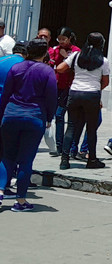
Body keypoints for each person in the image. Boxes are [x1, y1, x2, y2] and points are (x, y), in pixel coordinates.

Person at [0, 39, 57, 211]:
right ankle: (21, 201)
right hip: (34, 117)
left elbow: (6, 94)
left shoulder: (16, 68)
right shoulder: (47, 71)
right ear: (45, 53)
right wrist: (49, 117)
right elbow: (52, 97)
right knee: (26, 159)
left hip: (11, 114)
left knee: (6, 156)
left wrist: (3, 114)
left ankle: (0, 190)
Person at [57, 32, 109, 170]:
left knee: (71, 126)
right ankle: (91, 159)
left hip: (75, 92)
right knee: (91, 129)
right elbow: (105, 81)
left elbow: (60, 68)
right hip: (92, 94)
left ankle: (64, 159)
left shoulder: (76, 55)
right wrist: (96, 87)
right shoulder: (103, 60)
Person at [47, 27, 79, 157]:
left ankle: (70, 146)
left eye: (63, 39)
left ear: (69, 38)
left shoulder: (76, 51)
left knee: (65, 115)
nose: (61, 42)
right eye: (59, 39)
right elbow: (51, 64)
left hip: (69, 86)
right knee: (58, 116)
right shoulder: (55, 50)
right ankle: (59, 146)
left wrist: (67, 57)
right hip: (57, 86)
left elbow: (77, 67)